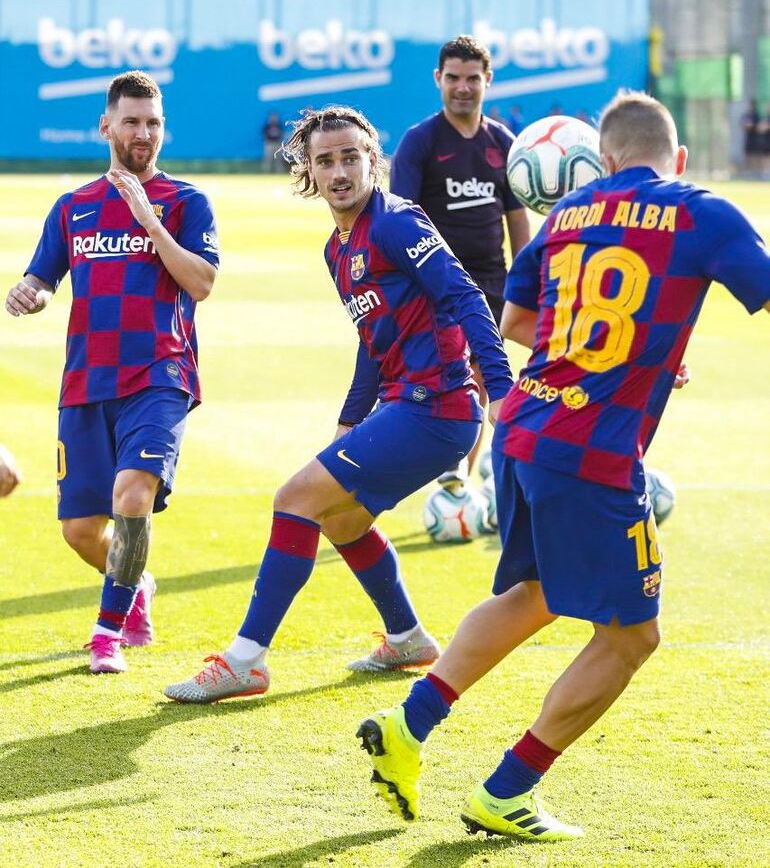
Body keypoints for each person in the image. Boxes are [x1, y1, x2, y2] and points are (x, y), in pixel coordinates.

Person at [357, 91, 770, 840]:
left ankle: (406, 724)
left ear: (603, 161)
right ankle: (508, 789)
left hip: (520, 431)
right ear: (674, 158)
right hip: (594, 453)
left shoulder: (567, 218)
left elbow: (518, 322)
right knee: (631, 638)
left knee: (535, 594)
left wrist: (625, 347)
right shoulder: (701, 209)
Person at [163, 105, 513, 702]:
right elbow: (371, 339)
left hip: (438, 408)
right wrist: (350, 420)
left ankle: (247, 659)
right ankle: (406, 637)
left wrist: (501, 390)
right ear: (310, 172)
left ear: (373, 161)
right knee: (343, 519)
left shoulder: (398, 222)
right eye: (326, 160)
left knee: (294, 499)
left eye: (352, 156)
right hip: (410, 406)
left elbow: (466, 295)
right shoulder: (338, 248)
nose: (340, 170)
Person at [5, 71, 219, 674]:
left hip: (159, 375)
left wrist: (150, 221)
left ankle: (107, 632)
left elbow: (201, 283)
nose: (143, 132)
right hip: (86, 382)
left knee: (133, 496)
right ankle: (136, 584)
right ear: (106, 126)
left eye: (153, 122)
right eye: (131, 121)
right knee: (79, 530)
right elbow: (42, 278)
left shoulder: (184, 202)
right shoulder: (73, 208)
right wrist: (28, 294)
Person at [390, 35, 530, 487]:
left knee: (485, 377)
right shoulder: (420, 142)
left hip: (492, 281)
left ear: (488, 80)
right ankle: (451, 467)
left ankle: (461, 482)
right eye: (453, 78)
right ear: (438, 79)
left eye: (473, 78)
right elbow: (400, 220)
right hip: (439, 284)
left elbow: (516, 217)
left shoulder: (503, 142)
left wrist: (525, 281)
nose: (463, 87)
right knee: (452, 377)